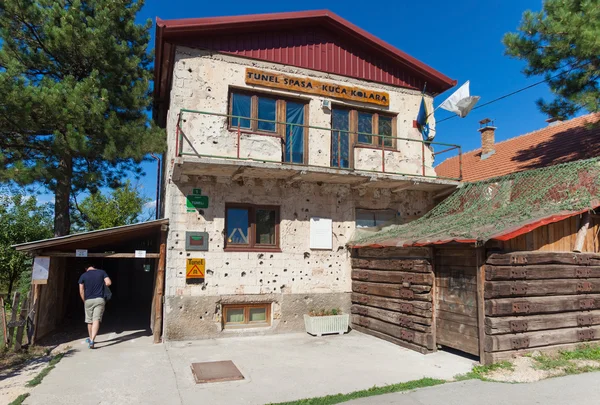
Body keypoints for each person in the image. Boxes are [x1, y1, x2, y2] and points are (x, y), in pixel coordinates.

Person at [78, 264, 112, 349]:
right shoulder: (102, 272)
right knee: (96, 319)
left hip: (88, 300)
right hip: (99, 299)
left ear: (86, 268)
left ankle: (90, 338)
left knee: (89, 321)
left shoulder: (83, 275)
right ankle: (92, 340)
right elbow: (108, 282)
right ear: (94, 267)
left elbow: (81, 290)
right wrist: (102, 285)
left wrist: (84, 301)